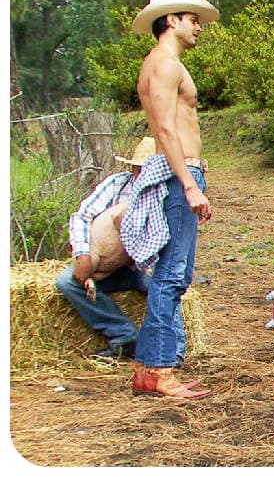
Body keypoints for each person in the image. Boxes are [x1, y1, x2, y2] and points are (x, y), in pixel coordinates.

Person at [127, 0, 219, 399]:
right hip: (177, 175)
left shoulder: (162, 64)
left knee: (172, 272)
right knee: (172, 273)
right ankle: (161, 369)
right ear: (170, 21)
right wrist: (188, 183)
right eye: (191, 18)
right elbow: (165, 129)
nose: (198, 26)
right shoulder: (164, 65)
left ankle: (149, 369)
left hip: (181, 171)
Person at [54, 137, 185, 363]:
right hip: (107, 263)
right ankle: (123, 334)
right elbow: (82, 216)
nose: (142, 173)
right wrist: (83, 254)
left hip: (140, 268)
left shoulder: (169, 195)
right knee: (67, 282)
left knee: (166, 285)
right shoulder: (117, 184)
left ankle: (174, 350)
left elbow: (173, 242)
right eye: (139, 168)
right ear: (133, 167)